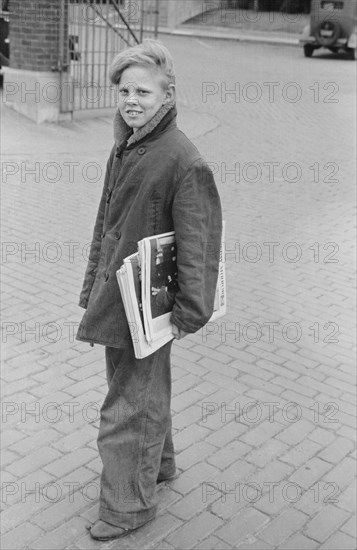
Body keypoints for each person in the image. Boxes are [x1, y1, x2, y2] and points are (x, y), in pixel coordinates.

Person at [76, 39, 222, 541]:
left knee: (126, 406)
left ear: (168, 95)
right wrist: (93, 281)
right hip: (119, 294)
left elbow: (199, 239)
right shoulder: (129, 143)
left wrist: (189, 311)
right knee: (140, 387)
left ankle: (126, 509)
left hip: (149, 302)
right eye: (124, 90)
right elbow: (106, 222)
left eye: (143, 90)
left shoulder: (181, 158)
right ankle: (158, 467)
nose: (131, 99)